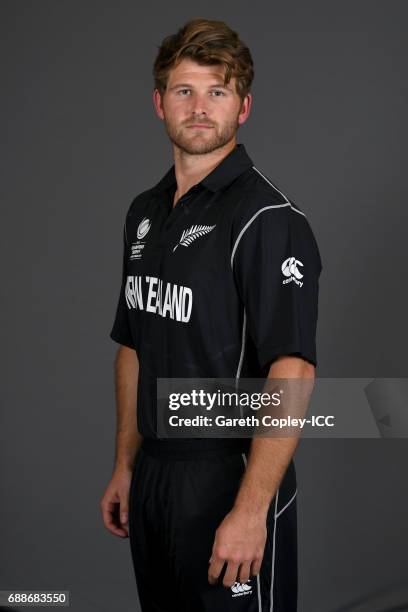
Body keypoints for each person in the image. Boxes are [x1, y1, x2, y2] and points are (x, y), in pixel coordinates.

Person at [100, 17, 322, 612]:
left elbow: (293, 371)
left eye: (217, 93)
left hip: (230, 475)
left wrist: (251, 511)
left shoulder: (269, 220)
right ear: (159, 102)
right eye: (184, 91)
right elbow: (134, 344)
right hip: (155, 475)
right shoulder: (144, 213)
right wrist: (127, 464)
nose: (200, 108)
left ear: (243, 107)